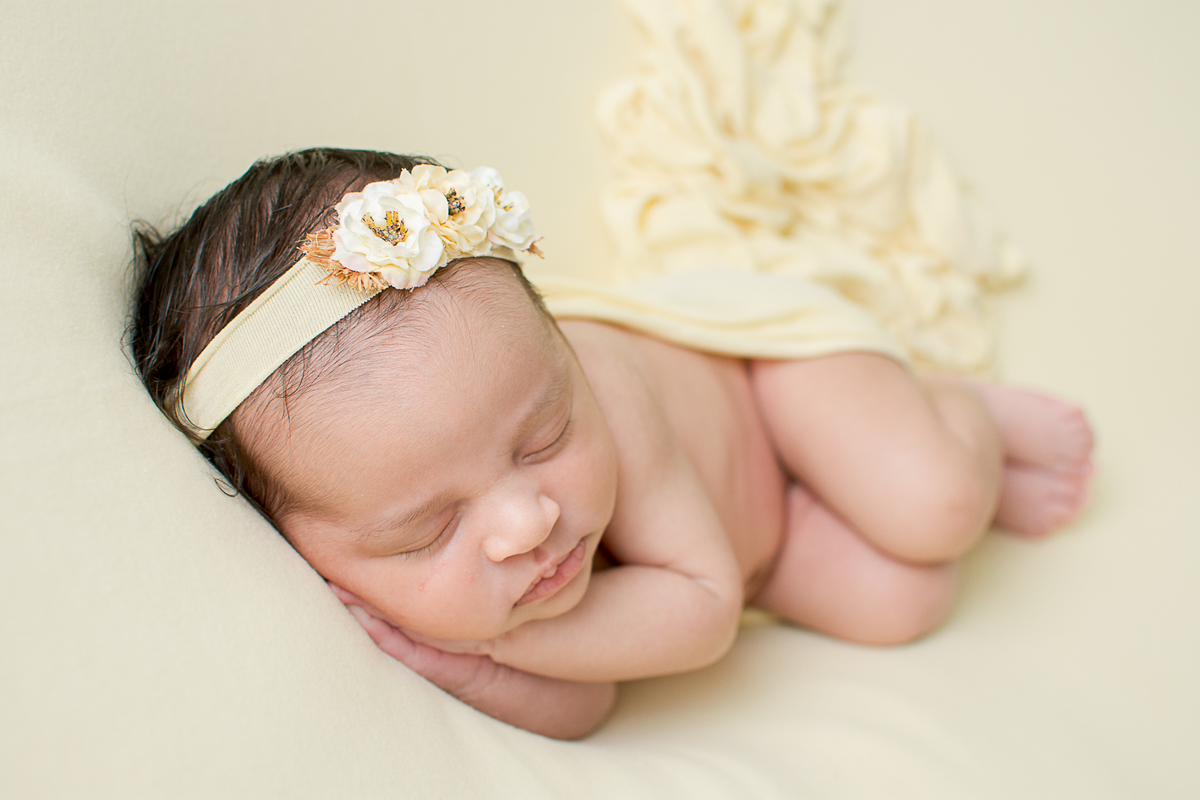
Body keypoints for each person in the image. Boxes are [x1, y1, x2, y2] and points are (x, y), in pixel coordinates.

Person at [131, 148, 1093, 740]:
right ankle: (863, 477)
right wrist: (465, 665)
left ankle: (951, 409)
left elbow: (702, 612)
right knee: (902, 600)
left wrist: (497, 633)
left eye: (545, 434)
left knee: (931, 507)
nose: (526, 520)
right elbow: (585, 704)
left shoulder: (611, 392)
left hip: (768, 391)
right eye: (427, 532)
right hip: (758, 544)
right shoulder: (423, 581)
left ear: (557, 351)